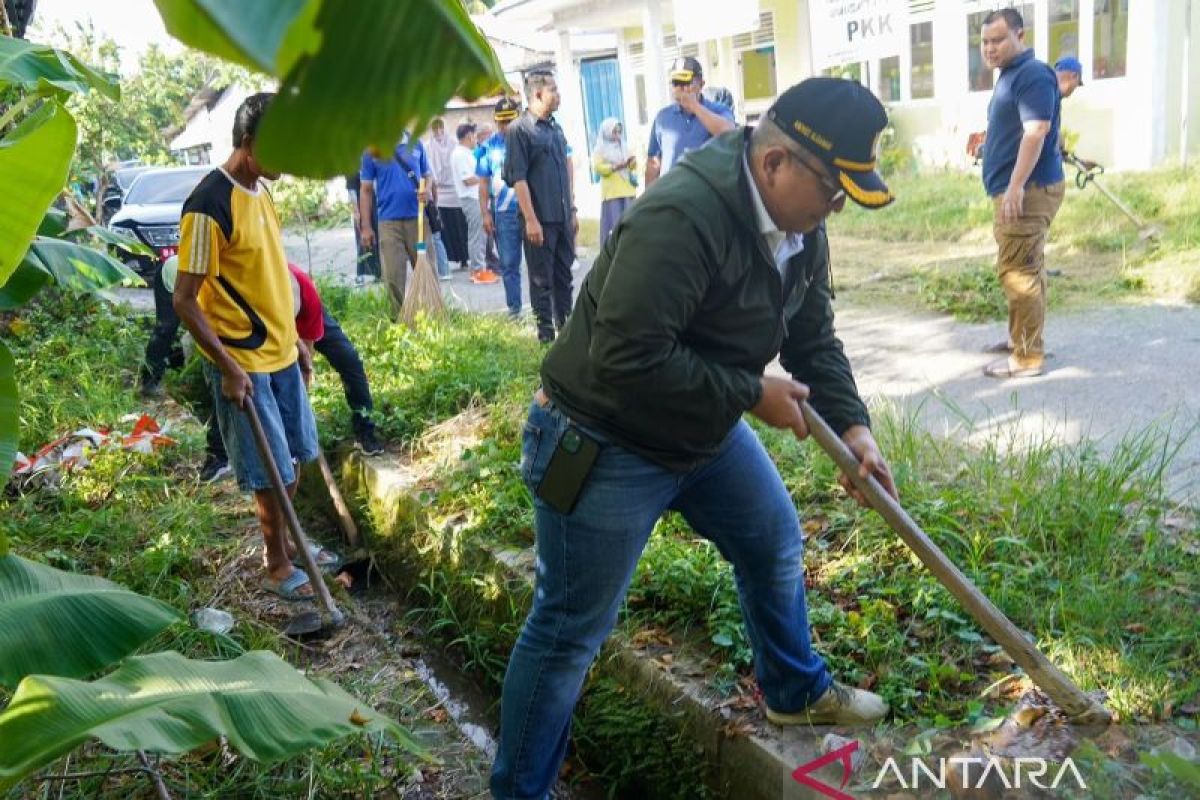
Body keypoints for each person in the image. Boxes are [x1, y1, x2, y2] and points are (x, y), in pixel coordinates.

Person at [490, 77, 898, 799]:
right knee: (567, 634)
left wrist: (855, 427)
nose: (836, 207)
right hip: (602, 435)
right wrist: (750, 393)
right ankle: (518, 791)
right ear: (774, 164)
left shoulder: (801, 225)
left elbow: (813, 335)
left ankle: (794, 688)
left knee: (772, 540)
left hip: (698, 428)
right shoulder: (683, 214)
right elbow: (627, 357)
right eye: (833, 189)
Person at [172, 92, 323, 601]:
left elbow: (267, 270)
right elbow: (185, 300)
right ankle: (276, 562)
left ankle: (290, 544)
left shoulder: (260, 190)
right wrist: (229, 368)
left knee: (294, 464)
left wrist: (297, 337)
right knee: (270, 474)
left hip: (280, 352)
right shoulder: (208, 205)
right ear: (248, 142)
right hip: (243, 361)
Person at [979, 8, 1065, 379]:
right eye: (984, 41)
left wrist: (1014, 186)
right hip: (1021, 189)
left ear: (1020, 36)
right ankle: (1023, 338)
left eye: (998, 39)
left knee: (1019, 271)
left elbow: (1036, 130)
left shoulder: (1031, 74)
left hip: (1027, 192)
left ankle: (1027, 357)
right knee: (1026, 266)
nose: (990, 48)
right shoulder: (1012, 76)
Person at [504, 71, 577, 343]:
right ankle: (546, 337)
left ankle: (567, 332)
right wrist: (531, 219)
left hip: (561, 217)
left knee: (563, 277)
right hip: (539, 220)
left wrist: (573, 210)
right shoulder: (519, 130)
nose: (558, 95)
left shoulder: (555, 128)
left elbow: (565, 170)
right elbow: (518, 178)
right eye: (553, 90)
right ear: (537, 94)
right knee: (541, 281)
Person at [359, 132, 434, 320]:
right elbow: (366, 190)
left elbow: (428, 175)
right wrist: (366, 226)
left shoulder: (416, 143)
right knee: (393, 277)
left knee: (428, 272)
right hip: (388, 223)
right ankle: (398, 322)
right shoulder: (371, 149)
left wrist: (428, 190)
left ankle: (431, 319)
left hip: (418, 221)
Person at [644, 56, 735, 187]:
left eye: (686, 82)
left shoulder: (718, 110)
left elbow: (729, 133)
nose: (681, 88)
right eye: (676, 83)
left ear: (701, 84)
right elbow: (653, 162)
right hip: (671, 195)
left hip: (705, 193)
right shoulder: (662, 117)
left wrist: (694, 106)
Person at [478, 97, 524, 317]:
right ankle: (514, 308)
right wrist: (485, 213)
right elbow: (484, 182)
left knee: (540, 264)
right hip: (504, 213)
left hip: (530, 210)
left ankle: (544, 309)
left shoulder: (528, 140)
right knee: (508, 263)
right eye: (501, 122)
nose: (505, 127)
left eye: (510, 121)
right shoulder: (488, 147)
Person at [453, 123, 499, 285]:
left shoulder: (469, 153)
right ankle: (478, 270)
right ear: (468, 136)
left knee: (482, 235)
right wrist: (486, 178)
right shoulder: (460, 154)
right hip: (470, 198)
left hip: (476, 198)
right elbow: (467, 179)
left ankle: (481, 268)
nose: (476, 139)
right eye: (474, 135)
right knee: (477, 235)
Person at [428, 118, 468, 273]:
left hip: (455, 191)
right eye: (435, 129)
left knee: (459, 226)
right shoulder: (428, 146)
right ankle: (448, 261)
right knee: (444, 230)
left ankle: (464, 259)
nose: (438, 132)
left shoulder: (454, 144)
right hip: (439, 193)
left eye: (441, 128)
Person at [591, 117, 637, 246]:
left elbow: (632, 166)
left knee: (630, 224)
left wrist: (632, 162)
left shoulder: (624, 145)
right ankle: (613, 252)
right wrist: (614, 167)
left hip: (627, 191)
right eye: (614, 132)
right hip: (612, 193)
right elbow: (598, 167)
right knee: (614, 225)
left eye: (619, 132)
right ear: (607, 132)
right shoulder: (600, 149)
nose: (617, 135)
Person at [345, 172, 380, 284]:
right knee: (364, 241)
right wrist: (356, 211)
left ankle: (379, 272)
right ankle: (365, 274)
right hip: (362, 206)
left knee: (379, 239)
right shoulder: (352, 164)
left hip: (376, 204)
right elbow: (351, 190)